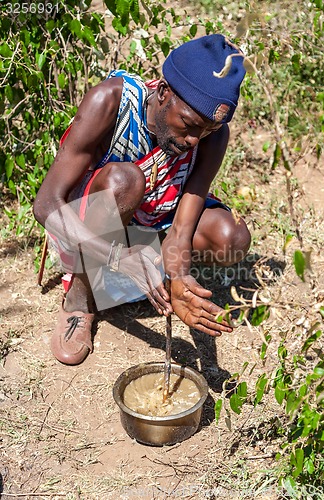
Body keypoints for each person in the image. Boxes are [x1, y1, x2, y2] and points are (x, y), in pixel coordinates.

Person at [33, 34, 251, 366]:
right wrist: (119, 256)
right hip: (97, 218)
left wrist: (179, 279)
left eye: (205, 131)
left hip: (156, 216)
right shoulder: (110, 102)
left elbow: (182, 226)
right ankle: (80, 300)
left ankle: (145, 273)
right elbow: (46, 204)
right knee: (125, 181)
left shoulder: (213, 134)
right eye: (189, 125)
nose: (194, 140)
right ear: (163, 93)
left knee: (231, 236)